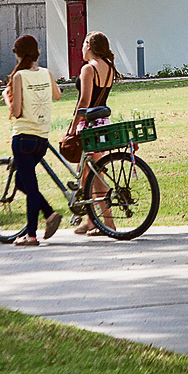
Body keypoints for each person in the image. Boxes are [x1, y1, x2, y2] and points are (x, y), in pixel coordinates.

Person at [2, 34, 63, 246]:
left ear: (18, 55)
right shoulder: (46, 73)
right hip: (41, 138)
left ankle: (31, 234)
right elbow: (58, 95)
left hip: (23, 137)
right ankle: (49, 213)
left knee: (31, 186)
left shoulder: (19, 77)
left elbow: (17, 111)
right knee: (22, 181)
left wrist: (6, 99)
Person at [69, 30, 119, 236]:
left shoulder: (88, 69)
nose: (81, 48)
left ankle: (108, 223)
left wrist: (72, 127)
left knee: (96, 175)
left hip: (90, 125)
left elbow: (84, 102)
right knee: (87, 172)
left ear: (89, 46)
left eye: (83, 44)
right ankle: (90, 220)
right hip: (103, 123)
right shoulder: (108, 67)